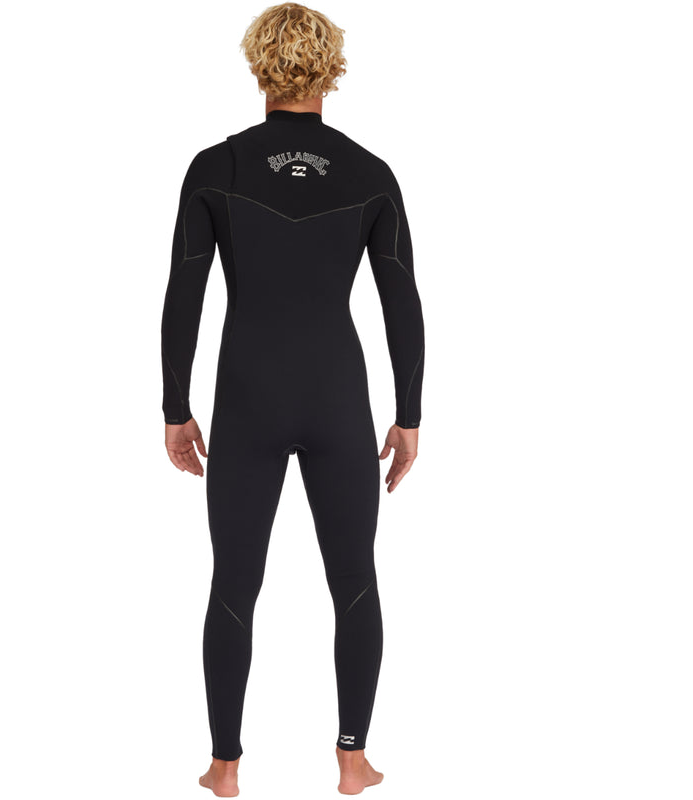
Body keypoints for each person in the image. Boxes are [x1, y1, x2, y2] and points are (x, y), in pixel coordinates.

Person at [160, 3, 424, 795]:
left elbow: (183, 296)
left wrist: (175, 408)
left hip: (247, 398)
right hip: (338, 397)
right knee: (356, 579)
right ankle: (352, 760)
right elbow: (402, 304)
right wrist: (409, 416)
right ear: (331, 69)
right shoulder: (371, 173)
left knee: (233, 583)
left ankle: (224, 766)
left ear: (258, 66)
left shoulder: (217, 167)